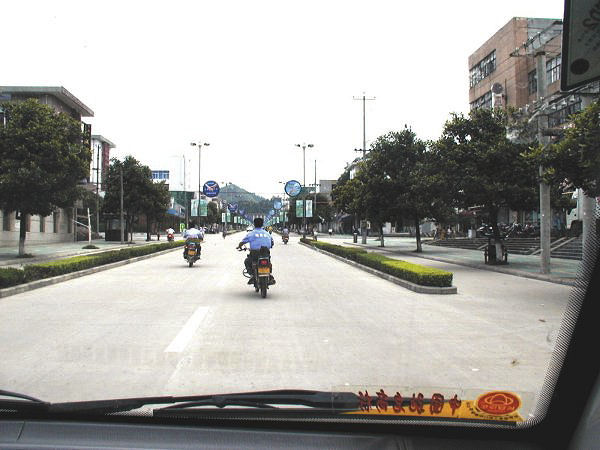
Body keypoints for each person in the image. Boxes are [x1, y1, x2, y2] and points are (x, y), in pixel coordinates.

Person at [237, 217, 275, 285]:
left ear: (254, 224)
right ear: (262, 224)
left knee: (247, 261)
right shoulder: (267, 233)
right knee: (268, 262)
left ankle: (252, 275)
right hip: (266, 253)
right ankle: (270, 275)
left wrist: (239, 246)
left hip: (255, 254)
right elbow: (272, 243)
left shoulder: (251, 233)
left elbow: (242, 242)